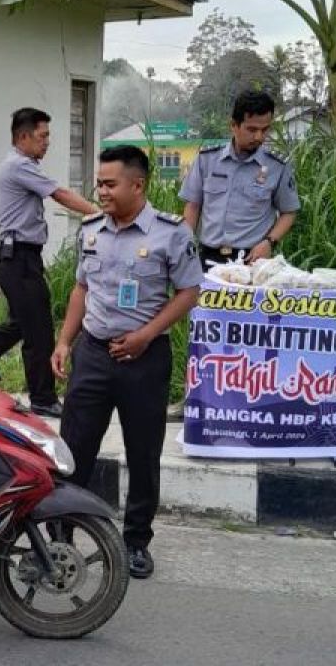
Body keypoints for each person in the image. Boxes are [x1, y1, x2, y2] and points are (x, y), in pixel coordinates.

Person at [50, 146, 201, 579]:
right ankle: (60, 536)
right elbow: (81, 288)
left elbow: (188, 292)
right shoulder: (91, 230)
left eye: (110, 184)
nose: (101, 191)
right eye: (99, 183)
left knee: (143, 452)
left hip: (144, 359)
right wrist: (65, 341)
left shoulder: (172, 233)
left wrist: (146, 335)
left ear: (139, 185)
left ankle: (136, 541)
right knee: (73, 451)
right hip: (94, 355)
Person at [0, 107, 98, 418]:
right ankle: (43, 398)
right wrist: (100, 213)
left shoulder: (20, 165)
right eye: (42, 136)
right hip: (16, 257)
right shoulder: (19, 166)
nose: (47, 142)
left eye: (48, 136)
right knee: (39, 329)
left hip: (21, 257)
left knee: (22, 323)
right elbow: (60, 194)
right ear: (23, 137)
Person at [179, 90, 300, 268]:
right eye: (252, 129)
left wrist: (269, 242)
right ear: (234, 125)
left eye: (264, 129)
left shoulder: (277, 167)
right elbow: (193, 206)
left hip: (252, 261)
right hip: (207, 259)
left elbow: (289, 212)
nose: (259, 137)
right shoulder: (207, 159)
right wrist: (186, 248)